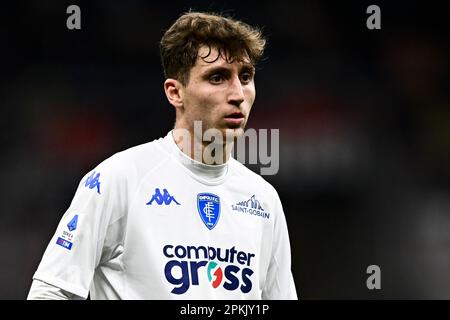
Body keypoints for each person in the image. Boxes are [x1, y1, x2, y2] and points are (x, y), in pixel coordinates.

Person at [27, 11, 298, 300]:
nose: (238, 94)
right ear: (175, 93)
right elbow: (50, 292)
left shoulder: (264, 200)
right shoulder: (119, 179)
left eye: (245, 76)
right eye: (217, 77)